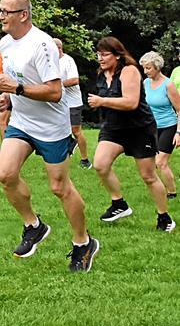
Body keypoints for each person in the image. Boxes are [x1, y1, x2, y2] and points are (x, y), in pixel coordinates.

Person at [0, 0, 97, 271]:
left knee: (59, 188)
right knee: (5, 173)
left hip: (52, 127)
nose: (0, 16)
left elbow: (54, 91)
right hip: (23, 122)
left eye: (6, 11)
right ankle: (33, 225)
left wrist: (17, 89)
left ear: (23, 15)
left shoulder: (43, 44)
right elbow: (16, 82)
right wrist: (7, 97)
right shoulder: (5, 44)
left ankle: (83, 242)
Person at [87, 37, 173, 232]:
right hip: (113, 128)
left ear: (117, 55)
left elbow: (131, 102)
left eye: (105, 54)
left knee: (148, 176)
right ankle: (119, 204)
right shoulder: (101, 74)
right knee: (100, 164)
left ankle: (164, 217)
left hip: (139, 129)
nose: (100, 58)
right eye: (98, 54)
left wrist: (101, 101)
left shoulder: (129, 71)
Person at [141, 51, 180, 204]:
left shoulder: (168, 84)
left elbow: (179, 110)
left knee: (161, 162)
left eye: (148, 68)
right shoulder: (145, 83)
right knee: (150, 163)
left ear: (157, 67)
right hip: (151, 127)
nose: (145, 71)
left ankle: (172, 193)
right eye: (144, 68)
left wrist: (178, 132)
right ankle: (159, 189)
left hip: (169, 126)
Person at [52, 38, 91, 170]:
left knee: (76, 131)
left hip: (73, 102)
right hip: (59, 102)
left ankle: (85, 160)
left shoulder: (68, 61)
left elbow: (75, 80)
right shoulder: (51, 62)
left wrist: (56, 86)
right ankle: (62, 157)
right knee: (59, 130)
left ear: (59, 48)